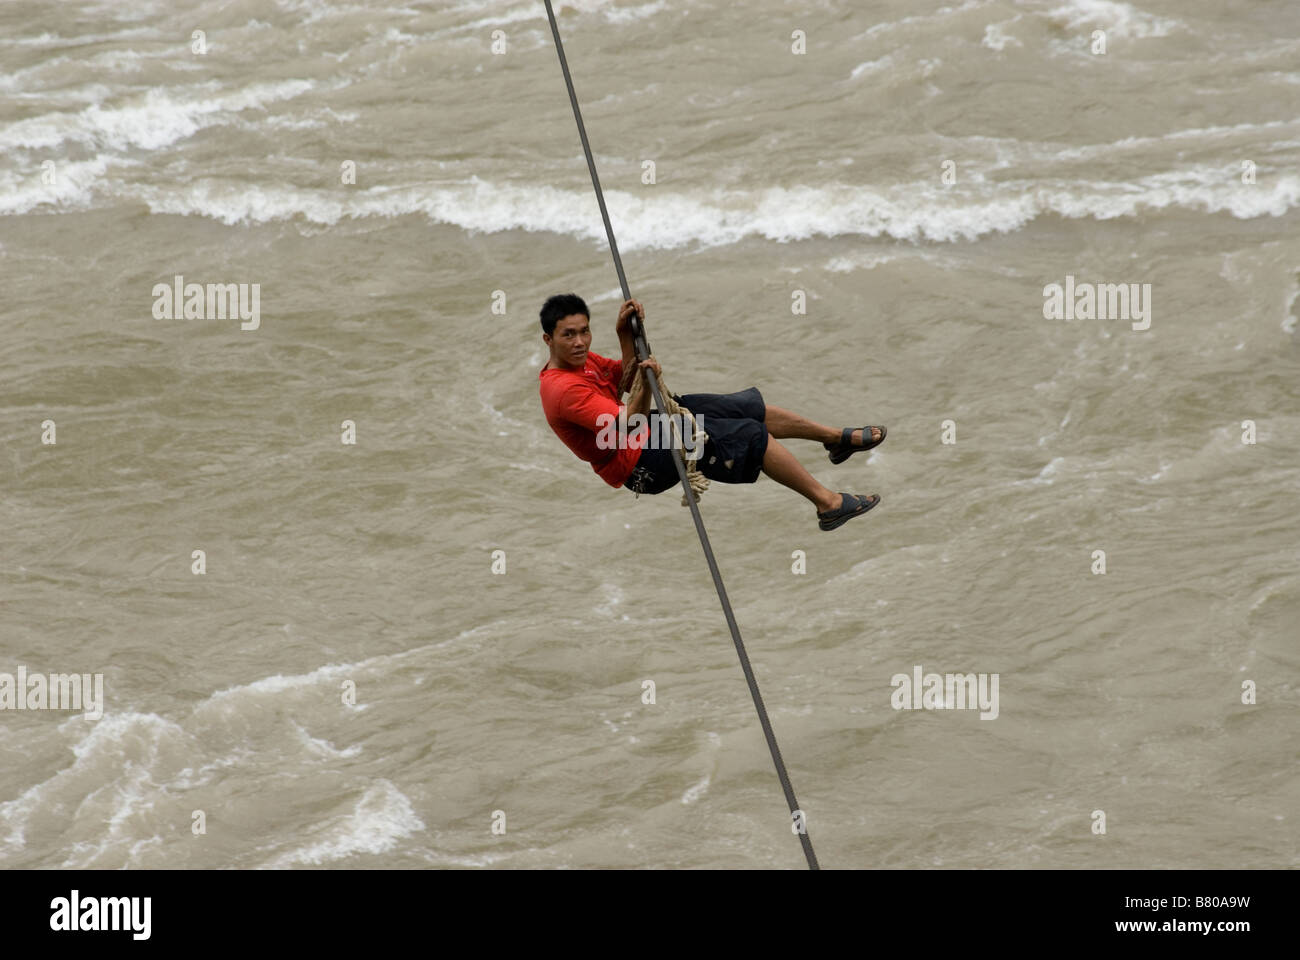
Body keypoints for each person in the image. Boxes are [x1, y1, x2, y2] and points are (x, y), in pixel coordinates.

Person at [536, 293, 885, 531]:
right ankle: (828, 504)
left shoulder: (581, 361)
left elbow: (625, 379)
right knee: (749, 435)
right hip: (639, 462)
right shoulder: (564, 390)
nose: (580, 342)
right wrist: (647, 382)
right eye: (568, 335)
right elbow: (629, 423)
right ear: (548, 339)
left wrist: (624, 334)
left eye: (584, 331)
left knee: (740, 408)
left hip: (645, 431)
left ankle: (835, 440)